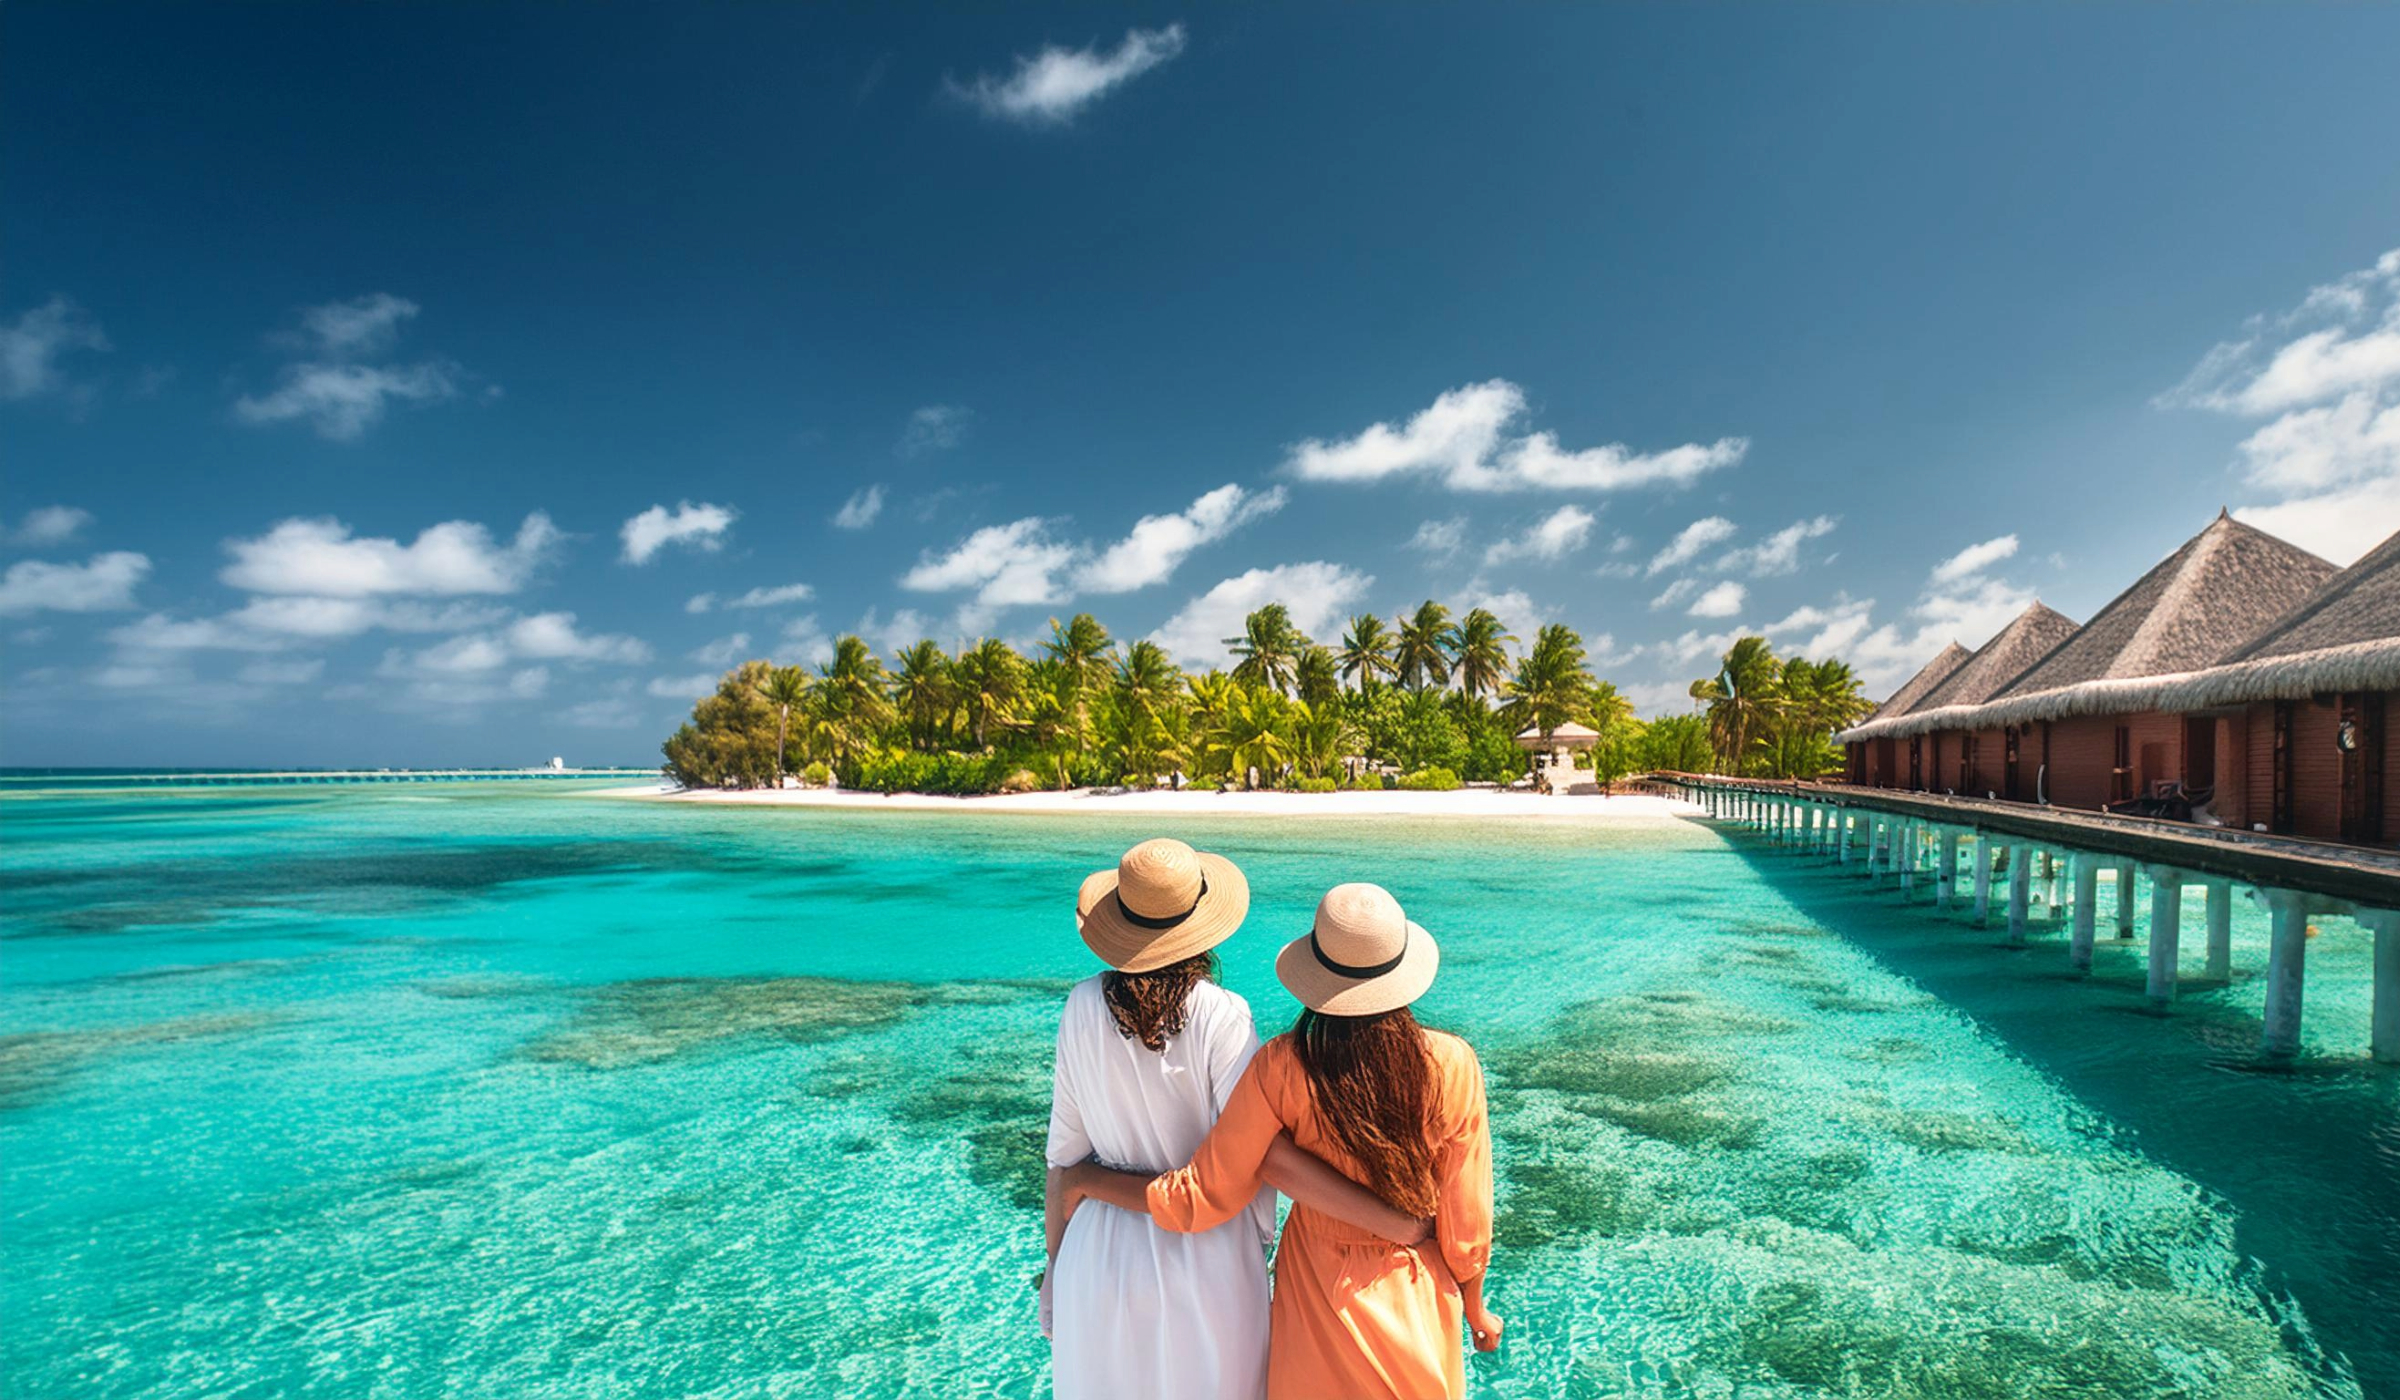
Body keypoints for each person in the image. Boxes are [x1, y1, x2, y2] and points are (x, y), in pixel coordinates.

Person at [1060, 882, 1499, 1400]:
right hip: (1416, 1285)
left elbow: (1200, 1198)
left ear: (1316, 969)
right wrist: (1475, 1305)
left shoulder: (1282, 1066)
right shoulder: (1453, 1064)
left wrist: (1086, 1179)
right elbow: (1466, 1220)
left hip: (1316, 1286)